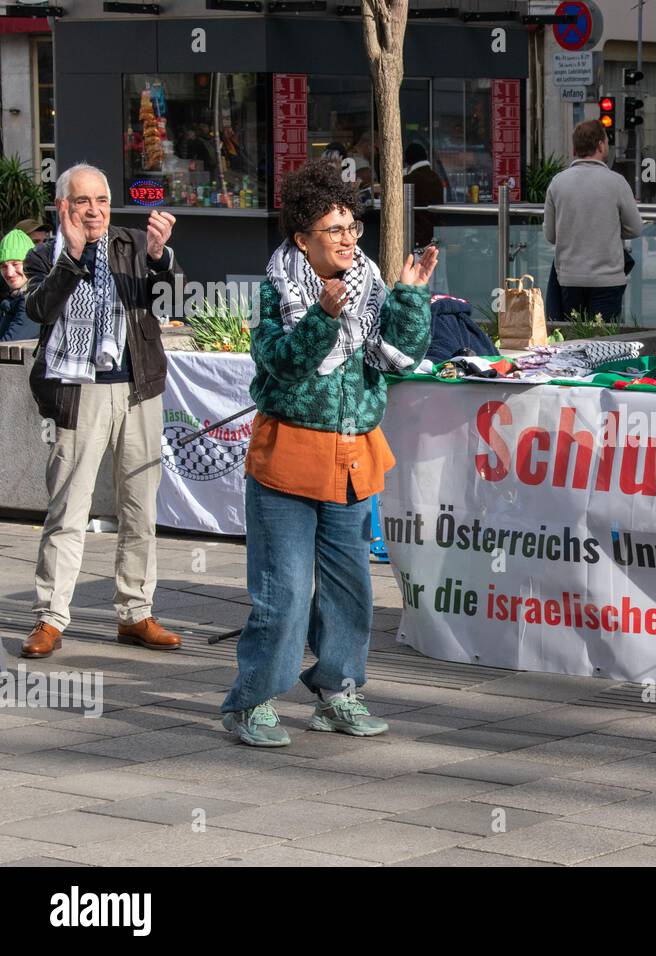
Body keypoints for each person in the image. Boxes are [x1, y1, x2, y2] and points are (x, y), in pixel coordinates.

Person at [221, 160, 436, 747]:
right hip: (289, 459)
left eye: (351, 227)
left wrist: (413, 298)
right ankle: (253, 700)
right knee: (284, 593)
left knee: (351, 592)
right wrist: (324, 316)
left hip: (353, 456)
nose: (347, 239)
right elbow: (282, 363)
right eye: (333, 230)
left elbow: (403, 355)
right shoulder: (277, 289)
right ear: (301, 239)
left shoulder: (369, 280)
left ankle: (338, 692)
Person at [20, 163, 183, 659]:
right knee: (69, 507)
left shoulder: (131, 244)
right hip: (77, 392)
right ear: (63, 206)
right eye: (83, 201)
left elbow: (168, 296)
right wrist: (70, 256)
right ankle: (51, 617)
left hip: (138, 387)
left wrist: (159, 257)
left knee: (140, 506)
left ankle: (135, 612)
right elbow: (37, 310)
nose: (94, 211)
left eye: (102, 201)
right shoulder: (41, 256)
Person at [544, 119, 643, 322]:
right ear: (600, 144)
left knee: (572, 341)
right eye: (606, 142)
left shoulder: (558, 183)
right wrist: (609, 227)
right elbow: (635, 228)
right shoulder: (616, 182)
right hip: (607, 279)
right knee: (604, 343)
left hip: (569, 278)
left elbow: (551, 235)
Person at [0, 227, 39, 342]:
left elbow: (8, 344)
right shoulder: (13, 298)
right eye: (3, 266)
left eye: (16, 264)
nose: (10, 273)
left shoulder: (34, 300)